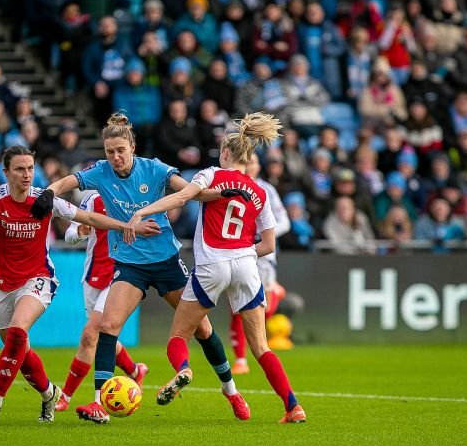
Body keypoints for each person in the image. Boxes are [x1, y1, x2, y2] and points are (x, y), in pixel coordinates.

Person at [32, 113, 243, 424]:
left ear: (132, 146)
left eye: (121, 150)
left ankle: (231, 390)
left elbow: (188, 191)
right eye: (109, 152)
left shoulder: (154, 168)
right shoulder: (101, 172)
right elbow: (69, 181)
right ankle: (100, 402)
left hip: (166, 262)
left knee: (202, 328)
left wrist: (219, 194)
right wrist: (49, 192)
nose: (115, 158)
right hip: (129, 264)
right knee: (107, 326)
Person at [0, 145, 159, 424]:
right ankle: (49, 394)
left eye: (31, 168)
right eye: (20, 169)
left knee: (19, 331)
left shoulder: (44, 199)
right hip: (1, 282)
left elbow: (89, 218)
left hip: (38, 278)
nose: (27, 174)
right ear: (5, 172)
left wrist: (129, 226)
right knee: (19, 350)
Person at [125, 112, 307, 424]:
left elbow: (181, 198)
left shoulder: (210, 174)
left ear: (224, 153)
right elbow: (269, 245)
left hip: (212, 264)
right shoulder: (260, 190)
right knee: (261, 347)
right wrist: (244, 251)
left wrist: (142, 212)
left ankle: (183, 370)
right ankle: (293, 407)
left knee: (179, 335)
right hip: (247, 266)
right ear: (248, 159)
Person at [56, 190, 148, 411]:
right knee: (100, 338)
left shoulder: (136, 196)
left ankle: (74, 398)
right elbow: (70, 235)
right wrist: (80, 230)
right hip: (92, 277)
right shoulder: (92, 199)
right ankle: (135, 371)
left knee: (90, 335)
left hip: (121, 277)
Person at [229, 151, 291, 375]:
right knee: (237, 306)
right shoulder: (230, 186)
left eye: (253, 162)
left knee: (262, 307)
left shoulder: (266, 190)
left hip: (262, 254)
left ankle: (275, 294)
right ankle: (240, 359)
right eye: (246, 162)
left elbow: (285, 221)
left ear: (258, 166)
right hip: (237, 253)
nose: (249, 166)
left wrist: (266, 234)